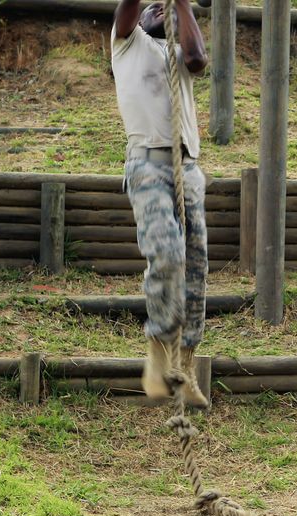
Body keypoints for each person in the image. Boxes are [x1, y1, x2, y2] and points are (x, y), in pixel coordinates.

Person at [111, 0, 209, 405]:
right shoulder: (127, 44)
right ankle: (158, 351)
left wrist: (182, 4)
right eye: (156, 7)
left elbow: (198, 58)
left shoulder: (178, 57)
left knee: (196, 269)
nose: (160, 9)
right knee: (166, 254)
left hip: (187, 167)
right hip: (148, 164)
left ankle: (185, 366)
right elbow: (129, 12)